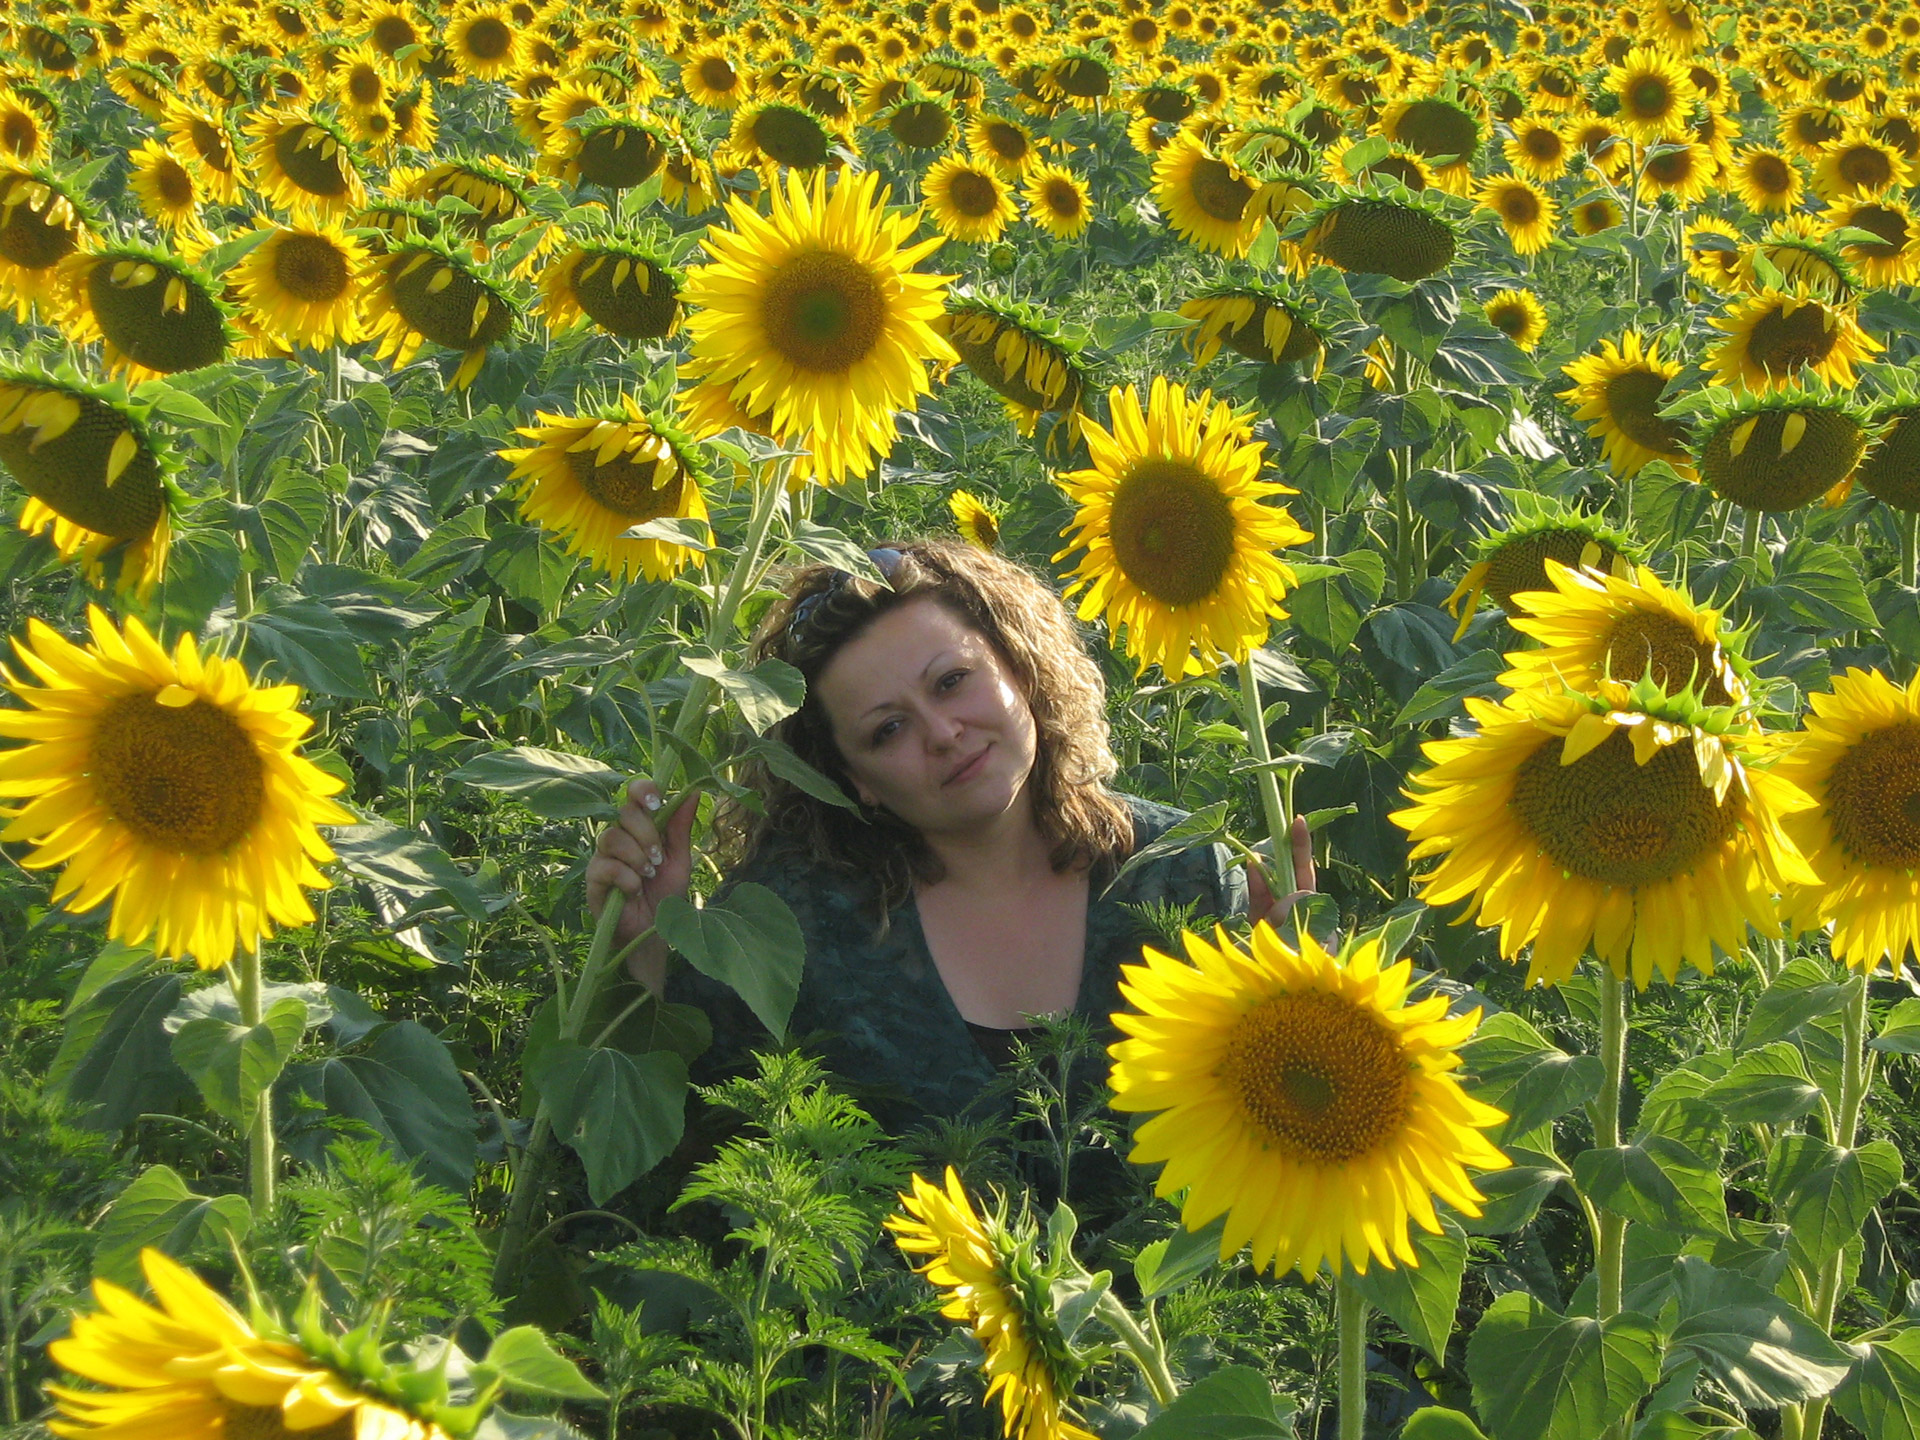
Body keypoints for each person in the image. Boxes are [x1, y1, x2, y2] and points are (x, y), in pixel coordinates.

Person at [585, 537, 1315, 1131]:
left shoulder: (1180, 874)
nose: (941, 734)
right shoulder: (801, 927)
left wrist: (1296, 1002)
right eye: (888, 729)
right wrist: (644, 957)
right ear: (855, 779)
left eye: (951, 681)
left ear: (1019, 668)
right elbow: (701, 1155)